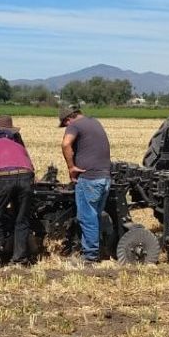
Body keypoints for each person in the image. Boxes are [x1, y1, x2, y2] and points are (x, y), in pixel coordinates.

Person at [0, 117, 35, 268]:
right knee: (22, 219)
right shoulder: (19, 145)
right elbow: (31, 167)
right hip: (25, 175)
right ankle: (19, 260)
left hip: (2, 177)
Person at [60, 105, 112, 264]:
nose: (66, 127)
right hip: (105, 177)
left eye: (64, 124)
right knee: (94, 216)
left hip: (89, 178)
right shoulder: (94, 122)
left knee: (86, 217)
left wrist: (71, 167)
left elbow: (65, 144)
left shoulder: (74, 125)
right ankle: (96, 250)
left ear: (68, 119)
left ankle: (90, 257)